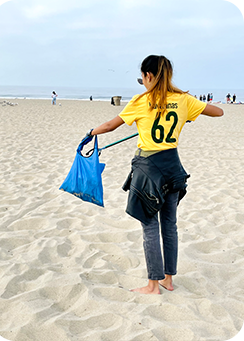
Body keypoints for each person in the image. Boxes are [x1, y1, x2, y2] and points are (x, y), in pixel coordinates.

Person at [85, 55, 223, 294]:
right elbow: (218, 112)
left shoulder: (141, 100)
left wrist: (90, 132)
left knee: (149, 226)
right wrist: (187, 115)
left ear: (148, 76)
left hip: (148, 169)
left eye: (143, 77)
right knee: (169, 225)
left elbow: (109, 126)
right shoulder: (183, 100)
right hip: (172, 167)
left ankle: (152, 285)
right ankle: (168, 280)